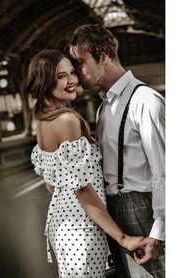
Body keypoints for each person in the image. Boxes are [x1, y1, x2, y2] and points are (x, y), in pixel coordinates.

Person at [26, 49, 144, 278]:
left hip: (62, 227)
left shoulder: (42, 121)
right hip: (81, 228)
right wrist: (122, 238)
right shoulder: (67, 121)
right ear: (44, 81)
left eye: (71, 73)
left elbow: (52, 184)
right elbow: (82, 189)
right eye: (61, 76)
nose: (71, 81)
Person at [67, 24, 165, 278]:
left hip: (144, 214)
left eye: (80, 62)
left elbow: (165, 172)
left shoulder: (145, 101)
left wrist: (159, 231)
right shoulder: (104, 108)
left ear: (103, 56)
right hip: (117, 215)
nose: (76, 72)